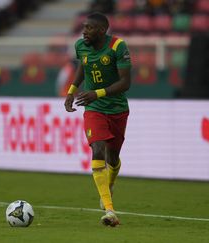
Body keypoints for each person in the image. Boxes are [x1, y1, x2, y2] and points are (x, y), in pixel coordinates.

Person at [64, 12, 131, 227]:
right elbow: (83, 65)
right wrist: (71, 91)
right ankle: (110, 210)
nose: (84, 31)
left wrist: (97, 92)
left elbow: (126, 82)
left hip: (117, 108)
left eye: (89, 28)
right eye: (84, 27)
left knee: (113, 158)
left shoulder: (117, 46)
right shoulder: (81, 46)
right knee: (97, 150)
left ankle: (109, 185)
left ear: (102, 30)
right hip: (93, 108)